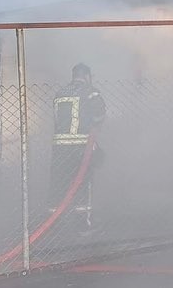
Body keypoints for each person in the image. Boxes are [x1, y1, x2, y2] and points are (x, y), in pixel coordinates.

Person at [49, 63, 106, 228]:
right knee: (82, 182)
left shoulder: (59, 93)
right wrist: (94, 128)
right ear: (87, 76)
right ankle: (82, 224)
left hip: (60, 147)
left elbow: (57, 119)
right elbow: (100, 113)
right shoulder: (90, 92)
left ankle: (54, 225)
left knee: (58, 183)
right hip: (81, 146)